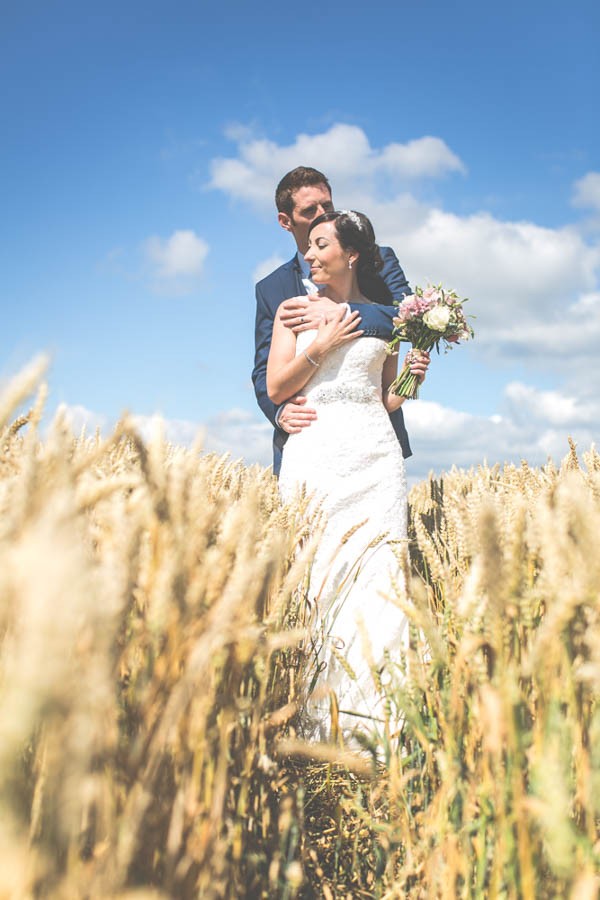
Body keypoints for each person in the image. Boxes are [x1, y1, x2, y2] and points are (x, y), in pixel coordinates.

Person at [266, 210, 429, 745]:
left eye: (320, 245)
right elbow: (276, 389)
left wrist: (413, 377)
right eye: (307, 246)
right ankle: (320, 724)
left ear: (351, 254)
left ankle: (382, 727)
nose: (309, 255)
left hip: (374, 454)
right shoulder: (293, 311)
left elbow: (388, 397)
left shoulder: (385, 317)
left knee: (380, 575)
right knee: (320, 575)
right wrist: (321, 343)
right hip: (316, 452)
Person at [253, 166, 413, 477]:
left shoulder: (378, 261)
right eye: (310, 209)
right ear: (285, 221)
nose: (322, 214)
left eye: (327, 205)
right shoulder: (272, 289)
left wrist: (341, 313)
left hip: (372, 440)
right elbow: (263, 368)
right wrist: (279, 411)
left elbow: (408, 317)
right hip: (307, 441)